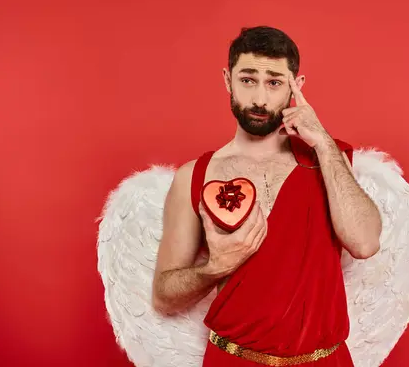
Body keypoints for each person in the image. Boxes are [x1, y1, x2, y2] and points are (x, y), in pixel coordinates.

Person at [151, 26, 382, 366]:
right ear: (227, 80)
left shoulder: (329, 159)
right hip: (233, 358)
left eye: (274, 82)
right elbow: (164, 297)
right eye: (247, 80)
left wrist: (322, 142)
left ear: (296, 86)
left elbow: (365, 244)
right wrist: (214, 268)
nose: (259, 98)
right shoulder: (194, 176)